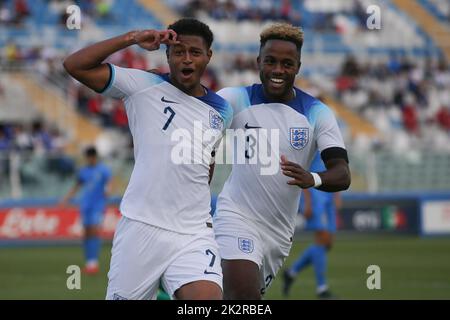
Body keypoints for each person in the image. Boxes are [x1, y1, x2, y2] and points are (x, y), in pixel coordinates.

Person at [63, 18, 233, 300]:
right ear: (168, 55)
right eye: (179, 52)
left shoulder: (222, 110)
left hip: (193, 232)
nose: (186, 59)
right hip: (141, 228)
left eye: (195, 52)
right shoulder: (143, 85)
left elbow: (207, 159)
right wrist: (132, 37)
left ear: (208, 56)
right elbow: (75, 65)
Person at [213, 23, 351, 299]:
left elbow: (342, 174)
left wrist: (312, 178)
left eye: (287, 64)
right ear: (258, 63)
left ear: (298, 66)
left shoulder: (317, 113)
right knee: (242, 298)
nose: (278, 70)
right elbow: (192, 118)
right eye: (271, 61)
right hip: (236, 216)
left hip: (278, 233)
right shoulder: (235, 98)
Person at [282, 152, 342, 299]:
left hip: (328, 192)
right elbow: (304, 169)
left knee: (327, 243)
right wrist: (307, 202)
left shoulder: (328, 140)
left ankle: (291, 272)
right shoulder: (312, 139)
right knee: (322, 239)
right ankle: (322, 288)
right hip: (316, 195)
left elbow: (336, 167)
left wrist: (337, 194)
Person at [60, 146, 112, 274]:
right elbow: (77, 186)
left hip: (97, 206)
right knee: (87, 233)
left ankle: (94, 263)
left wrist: (108, 191)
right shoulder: (83, 171)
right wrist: (66, 199)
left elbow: (110, 183)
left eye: (90, 157)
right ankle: (89, 263)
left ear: (94, 157)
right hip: (86, 205)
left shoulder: (103, 170)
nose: (89, 160)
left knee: (94, 231)